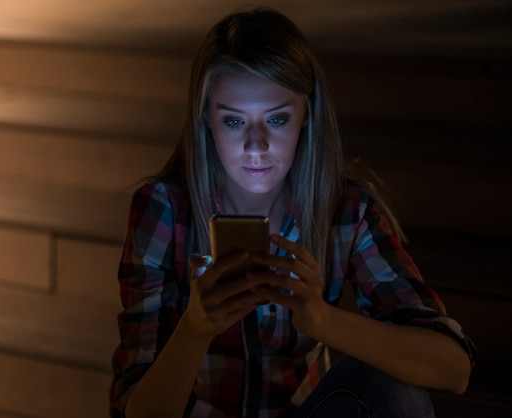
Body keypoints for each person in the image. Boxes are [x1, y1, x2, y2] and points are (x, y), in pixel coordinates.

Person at [109, 7, 476, 418]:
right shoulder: (164, 209)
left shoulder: (346, 210)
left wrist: (322, 320)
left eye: (277, 119)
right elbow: (137, 411)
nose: (255, 145)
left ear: (306, 116)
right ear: (205, 120)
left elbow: (452, 367)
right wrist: (194, 329)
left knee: (398, 395)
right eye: (233, 121)